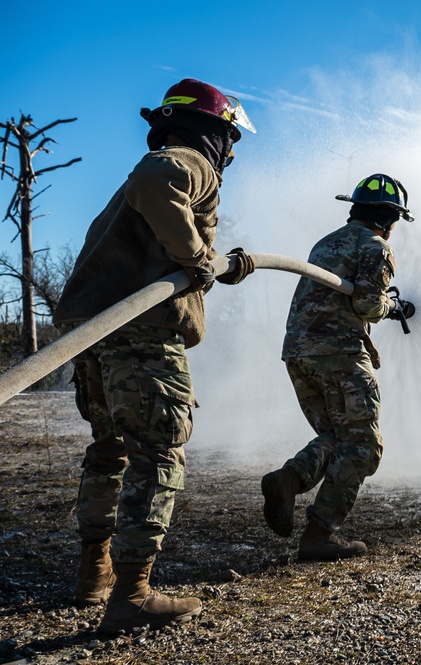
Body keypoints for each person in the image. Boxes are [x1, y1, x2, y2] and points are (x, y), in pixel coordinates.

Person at [52, 78, 257, 633]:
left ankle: (94, 572)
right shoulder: (190, 160)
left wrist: (215, 260)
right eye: (232, 137)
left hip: (96, 329)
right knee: (160, 449)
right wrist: (195, 255)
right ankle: (132, 593)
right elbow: (155, 180)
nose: (233, 152)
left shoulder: (150, 175)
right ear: (216, 131)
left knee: (110, 447)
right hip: (139, 331)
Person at [261, 173, 415, 561]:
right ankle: (319, 534)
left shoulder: (326, 242)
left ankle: (289, 479)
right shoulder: (376, 246)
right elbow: (367, 305)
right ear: (390, 218)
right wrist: (394, 308)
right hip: (340, 355)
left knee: (335, 437)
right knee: (362, 446)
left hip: (298, 353)